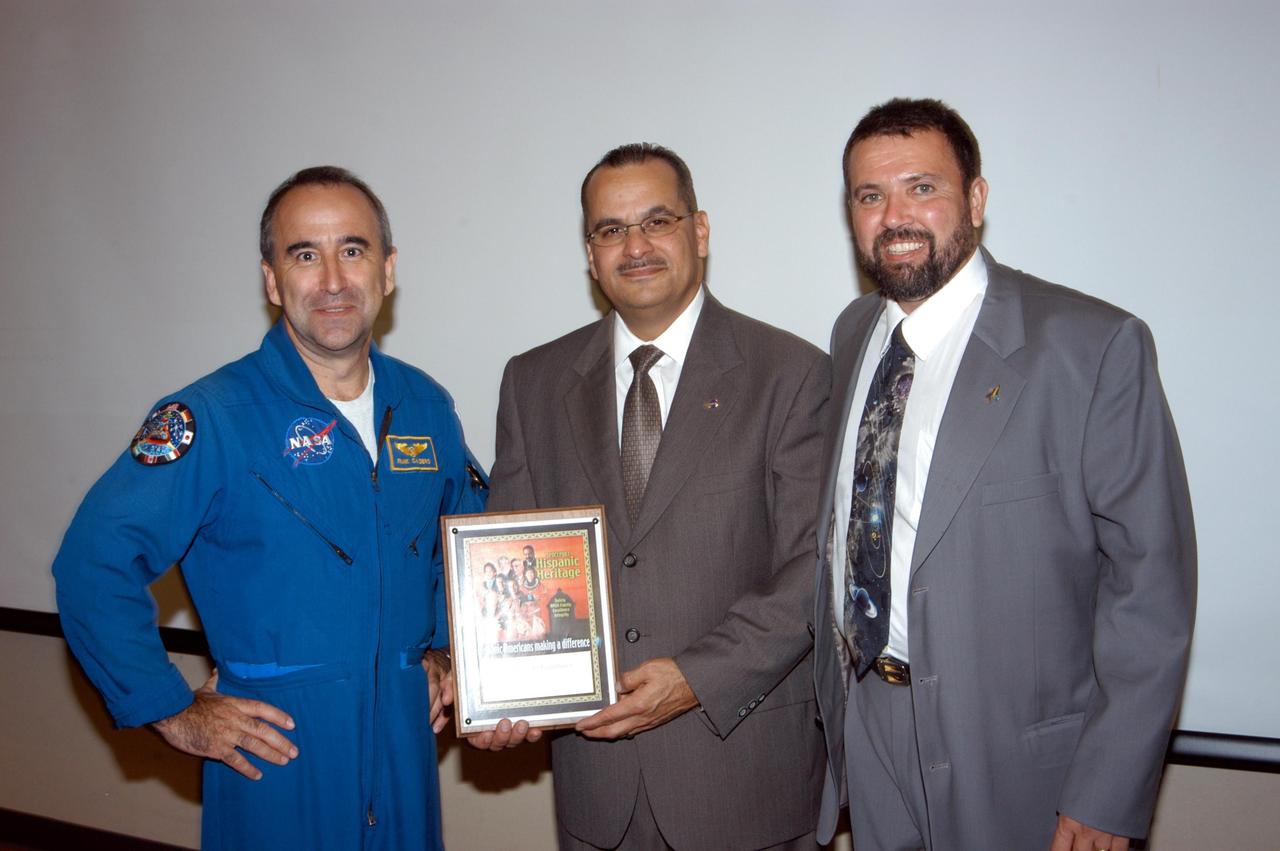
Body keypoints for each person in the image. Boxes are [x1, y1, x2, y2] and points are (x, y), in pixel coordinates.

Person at [51, 166, 487, 851]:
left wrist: (447, 652)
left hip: (404, 751)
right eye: (304, 255)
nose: (334, 279)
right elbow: (92, 562)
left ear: (388, 268)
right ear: (272, 280)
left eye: (353, 249)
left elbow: (472, 546)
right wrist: (171, 706)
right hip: (278, 755)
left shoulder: (427, 408)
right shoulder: (213, 416)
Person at [812, 98, 1196, 851]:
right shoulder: (854, 333)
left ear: (976, 200)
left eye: (922, 187)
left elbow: (1151, 587)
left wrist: (1107, 790)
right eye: (870, 195)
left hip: (1020, 760)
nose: (895, 215)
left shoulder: (1090, 346)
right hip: (872, 727)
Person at [477, 143, 830, 849]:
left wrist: (694, 677)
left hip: (744, 778)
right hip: (596, 786)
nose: (633, 246)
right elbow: (510, 565)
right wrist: (502, 688)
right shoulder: (533, 381)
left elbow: (813, 570)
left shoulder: (791, 373)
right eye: (610, 230)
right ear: (589, 251)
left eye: (656, 221)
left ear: (699, 231)